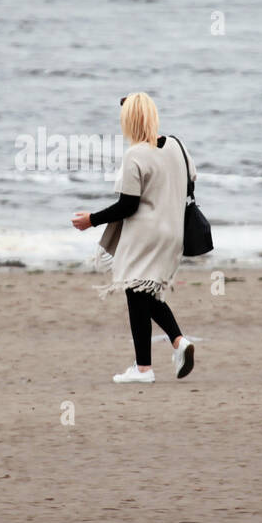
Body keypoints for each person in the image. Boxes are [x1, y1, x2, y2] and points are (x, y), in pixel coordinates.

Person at [72, 92, 194, 383]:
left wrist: (91, 220)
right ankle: (176, 344)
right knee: (143, 292)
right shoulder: (177, 145)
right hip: (173, 232)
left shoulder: (135, 154)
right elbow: (191, 181)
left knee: (135, 290)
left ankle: (145, 368)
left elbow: (128, 205)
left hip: (145, 234)